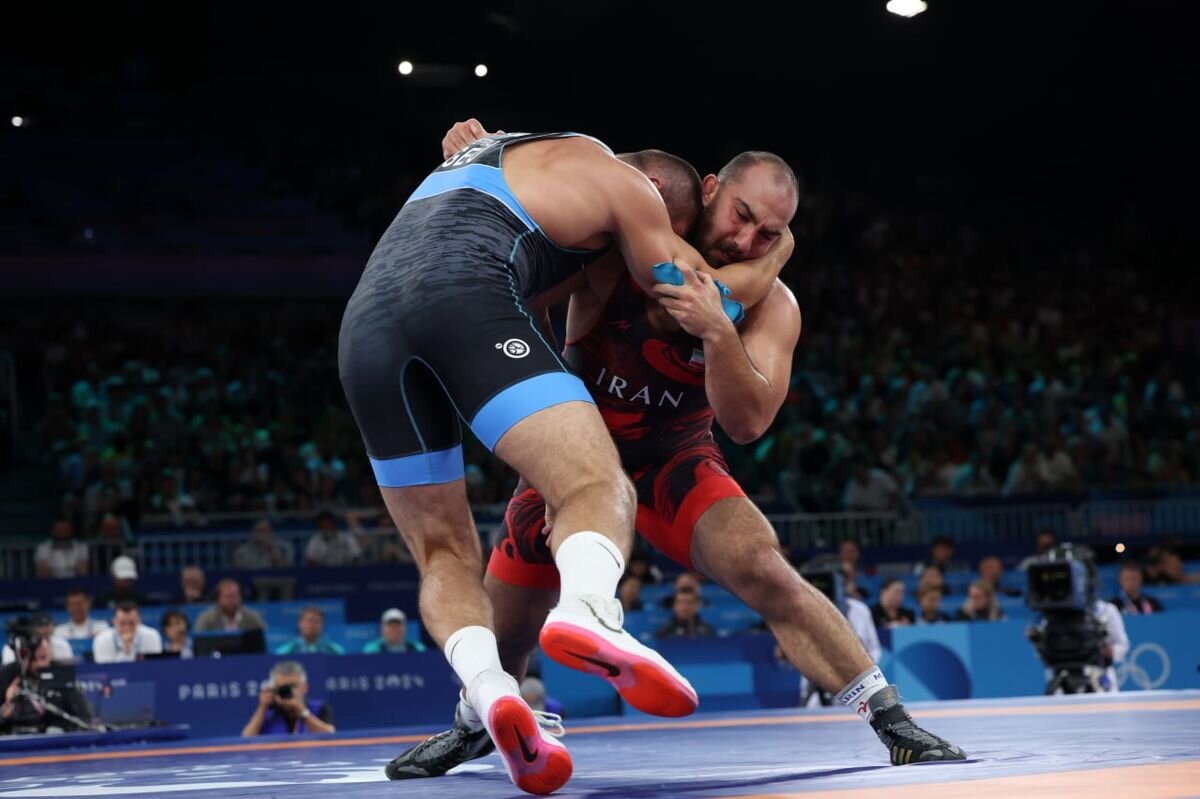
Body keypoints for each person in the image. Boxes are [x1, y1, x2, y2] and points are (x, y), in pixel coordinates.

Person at [384, 122, 962, 782]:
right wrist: (490, 156)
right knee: (504, 625)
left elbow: (745, 424)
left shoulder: (775, 307)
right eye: (741, 216)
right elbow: (516, 288)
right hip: (575, 458)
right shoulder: (617, 247)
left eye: (768, 236)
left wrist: (719, 331)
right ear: (710, 189)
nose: (745, 240)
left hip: (673, 459)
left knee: (764, 567)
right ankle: (476, 721)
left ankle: (893, 719)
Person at [344, 126, 795, 794]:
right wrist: (777, 252)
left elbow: (477, 159)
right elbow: (707, 297)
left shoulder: (515, 146)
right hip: (465, 294)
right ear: (657, 201)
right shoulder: (628, 193)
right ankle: (588, 608)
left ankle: (492, 689)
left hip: (365, 325)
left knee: (443, 554)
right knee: (595, 482)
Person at [241, 661, 335, 736]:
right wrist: (262, 707)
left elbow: (330, 735)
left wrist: (303, 712)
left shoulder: (319, 708)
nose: (287, 691)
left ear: (305, 687)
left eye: (292, 686)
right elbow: (246, 739)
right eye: (281, 687)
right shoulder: (267, 712)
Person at [92, 601, 163, 663]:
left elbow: (154, 667)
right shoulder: (102, 639)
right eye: (122, 623)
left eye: (131, 623)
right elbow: (106, 671)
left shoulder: (152, 636)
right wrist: (125, 649)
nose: (127, 628)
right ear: (114, 621)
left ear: (139, 621)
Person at [193, 579, 268, 633]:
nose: (231, 601)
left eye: (235, 596)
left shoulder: (252, 617)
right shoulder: (206, 618)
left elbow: (266, 636)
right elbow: (197, 641)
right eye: (227, 597)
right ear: (218, 599)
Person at [2, 614, 73, 664]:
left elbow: (68, 668)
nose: (44, 629)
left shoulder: (62, 644)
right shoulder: (12, 646)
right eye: (40, 626)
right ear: (32, 628)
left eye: (47, 625)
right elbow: (9, 670)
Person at [274, 606, 344, 655]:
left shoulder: (336, 651)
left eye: (317, 621)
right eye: (309, 621)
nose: (313, 624)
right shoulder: (285, 652)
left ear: (323, 625)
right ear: (299, 623)